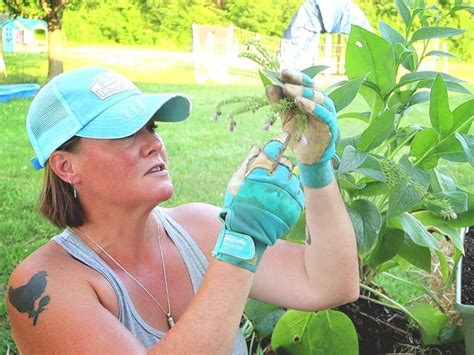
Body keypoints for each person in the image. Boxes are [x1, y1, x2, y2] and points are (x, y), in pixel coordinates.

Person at [6, 66, 359, 354]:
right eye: (125, 133)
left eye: (151, 128)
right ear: (66, 167)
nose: (154, 144)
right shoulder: (44, 284)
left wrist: (316, 169)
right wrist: (240, 244)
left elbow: (330, 284)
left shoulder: (198, 229)